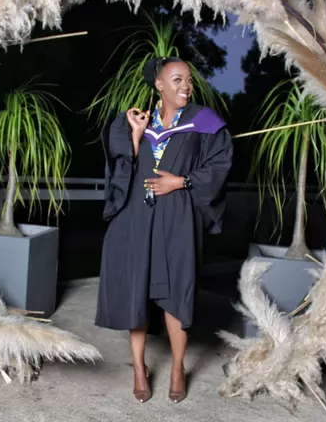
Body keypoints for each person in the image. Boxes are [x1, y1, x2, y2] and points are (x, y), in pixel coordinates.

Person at [95, 56, 233, 403]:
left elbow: (221, 163)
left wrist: (181, 181)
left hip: (177, 215)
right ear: (159, 85)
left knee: (177, 290)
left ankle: (177, 369)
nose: (186, 86)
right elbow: (121, 170)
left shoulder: (203, 121)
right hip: (137, 216)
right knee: (136, 289)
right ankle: (139, 370)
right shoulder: (136, 121)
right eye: (177, 80)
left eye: (188, 80)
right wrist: (136, 136)